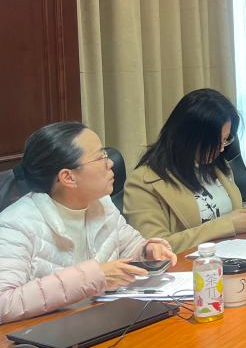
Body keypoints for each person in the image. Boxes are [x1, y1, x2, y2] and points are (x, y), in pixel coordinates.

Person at [0, 122, 176, 324]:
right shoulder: (15, 225)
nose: (110, 163)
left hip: (102, 321)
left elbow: (129, 246)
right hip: (50, 333)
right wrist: (93, 277)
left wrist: (147, 252)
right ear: (68, 177)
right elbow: (4, 303)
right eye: (101, 157)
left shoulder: (101, 203)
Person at [124, 89, 246, 254]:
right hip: (191, 266)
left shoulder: (216, 166)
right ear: (189, 138)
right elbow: (155, 249)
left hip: (233, 255)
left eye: (225, 140)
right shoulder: (143, 183)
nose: (221, 149)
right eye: (215, 142)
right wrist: (228, 225)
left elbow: (223, 212)